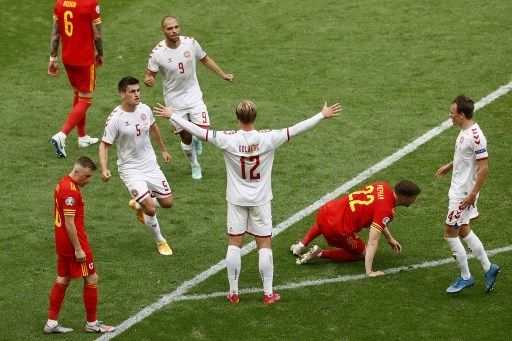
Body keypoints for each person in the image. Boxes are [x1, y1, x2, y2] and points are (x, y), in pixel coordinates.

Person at [154, 100, 341, 304]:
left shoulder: (227, 139)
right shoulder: (268, 138)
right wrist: (321, 114)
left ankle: (234, 292)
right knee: (264, 245)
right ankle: (268, 294)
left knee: (234, 244)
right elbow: (296, 129)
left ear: (237, 118)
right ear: (255, 116)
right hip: (261, 200)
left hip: (236, 200)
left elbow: (199, 132)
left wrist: (173, 115)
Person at [144, 15, 234, 180]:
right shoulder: (157, 53)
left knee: (203, 134)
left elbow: (205, 59)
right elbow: (149, 75)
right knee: (185, 135)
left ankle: (196, 139)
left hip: (193, 95)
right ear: (163, 30)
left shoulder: (191, 43)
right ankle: (195, 165)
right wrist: (148, 80)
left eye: (176, 27)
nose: (174, 31)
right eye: (170, 28)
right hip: (174, 100)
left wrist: (223, 75)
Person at [99, 76, 174, 256]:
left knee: (168, 203)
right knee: (151, 207)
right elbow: (104, 145)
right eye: (132, 91)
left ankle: (138, 204)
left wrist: (163, 150)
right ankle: (160, 241)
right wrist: (104, 168)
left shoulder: (145, 109)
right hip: (130, 168)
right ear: (122, 94)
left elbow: (154, 128)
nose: (137, 94)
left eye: (138, 90)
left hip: (150, 164)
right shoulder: (115, 118)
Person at [435, 94, 500, 293]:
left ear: (462, 115)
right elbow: (466, 158)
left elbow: (484, 168)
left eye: (452, 113)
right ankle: (489, 268)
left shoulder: (475, 136)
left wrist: (472, 194)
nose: (450, 116)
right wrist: (450, 165)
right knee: (463, 229)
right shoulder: (465, 131)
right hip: (459, 189)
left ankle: (466, 277)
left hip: (463, 193)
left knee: (449, 233)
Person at [44, 156, 114, 334]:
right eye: (87, 176)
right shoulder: (70, 192)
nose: (89, 180)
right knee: (91, 278)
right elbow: (69, 223)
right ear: (77, 172)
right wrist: (78, 248)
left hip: (62, 242)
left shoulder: (63, 183)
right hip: (74, 243)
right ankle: (92, 323)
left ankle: (51, 323)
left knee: (63, 279)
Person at [291, 180, 421, 277]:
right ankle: (320, 253)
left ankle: (300, 246)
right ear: (404, 198)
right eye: (413, 199)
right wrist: (369, 272)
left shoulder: (382, 185)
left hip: (326, 212)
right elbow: (373, 241)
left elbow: (377, 218)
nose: (414, 201)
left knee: (328, 219)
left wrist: (390, 238)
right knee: (362, 254)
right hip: (337, 229)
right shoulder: (386, 211)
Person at [48, 0, 104, 158]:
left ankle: (82, 137)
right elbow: (97, 35)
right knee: (86, 100)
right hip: (84, 60)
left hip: (67, 59)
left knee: (78, 95)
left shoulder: (60, 3)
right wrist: (100, 54)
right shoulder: (90, 3)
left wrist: (53, 58)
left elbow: (55, 33)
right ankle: (61, 135)